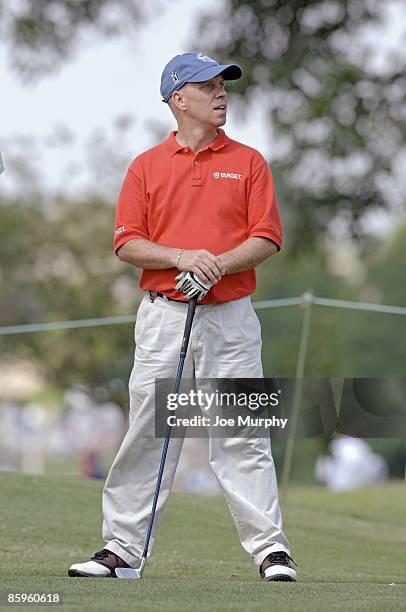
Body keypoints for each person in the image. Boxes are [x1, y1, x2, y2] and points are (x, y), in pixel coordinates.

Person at [68, 52, 297, 582]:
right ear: (178, 98)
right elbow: (127, 243)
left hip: (233, 318)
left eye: (223, 86)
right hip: (164, 318)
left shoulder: (249, 162)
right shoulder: (146, 166)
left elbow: (266, 238)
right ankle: (123, 550)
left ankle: (271, 552)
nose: (222, 94)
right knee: (150, 431)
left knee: (242, 431)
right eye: (209, 86)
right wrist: (181, 258)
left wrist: (215, 267)